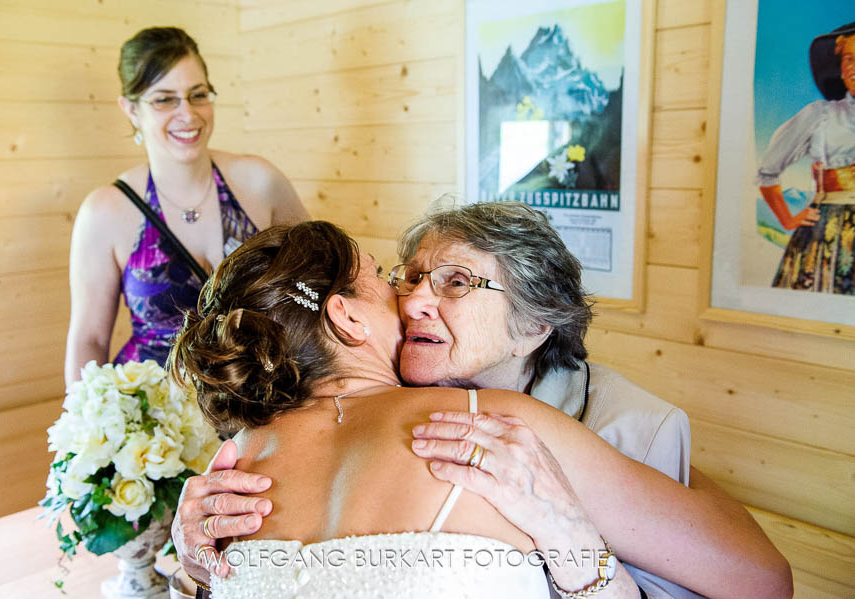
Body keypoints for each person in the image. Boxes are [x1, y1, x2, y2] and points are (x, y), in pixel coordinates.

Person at [173, 204, 792, 598]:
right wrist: (191, 574)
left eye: (456, 282)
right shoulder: (224, 487)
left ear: (533, 326)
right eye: (402, 278)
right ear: (345, 318)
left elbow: (758, 579)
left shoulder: (245, 456)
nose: (411, 300)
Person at [64, 27, 308, 383]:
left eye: (198, 94)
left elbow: (316, 280)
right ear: (131, 108)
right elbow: (90, 339)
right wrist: (85, 427)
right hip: (155, 418)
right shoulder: (105, 211)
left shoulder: (260, 181)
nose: (188, 114)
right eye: (165, 99)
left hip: (258, 404)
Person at [757, 22, 855, 293]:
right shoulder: (820, 114)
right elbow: (768, 169)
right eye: (848, 58)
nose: (852, 67)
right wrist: (787, 220)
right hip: (830, 235)